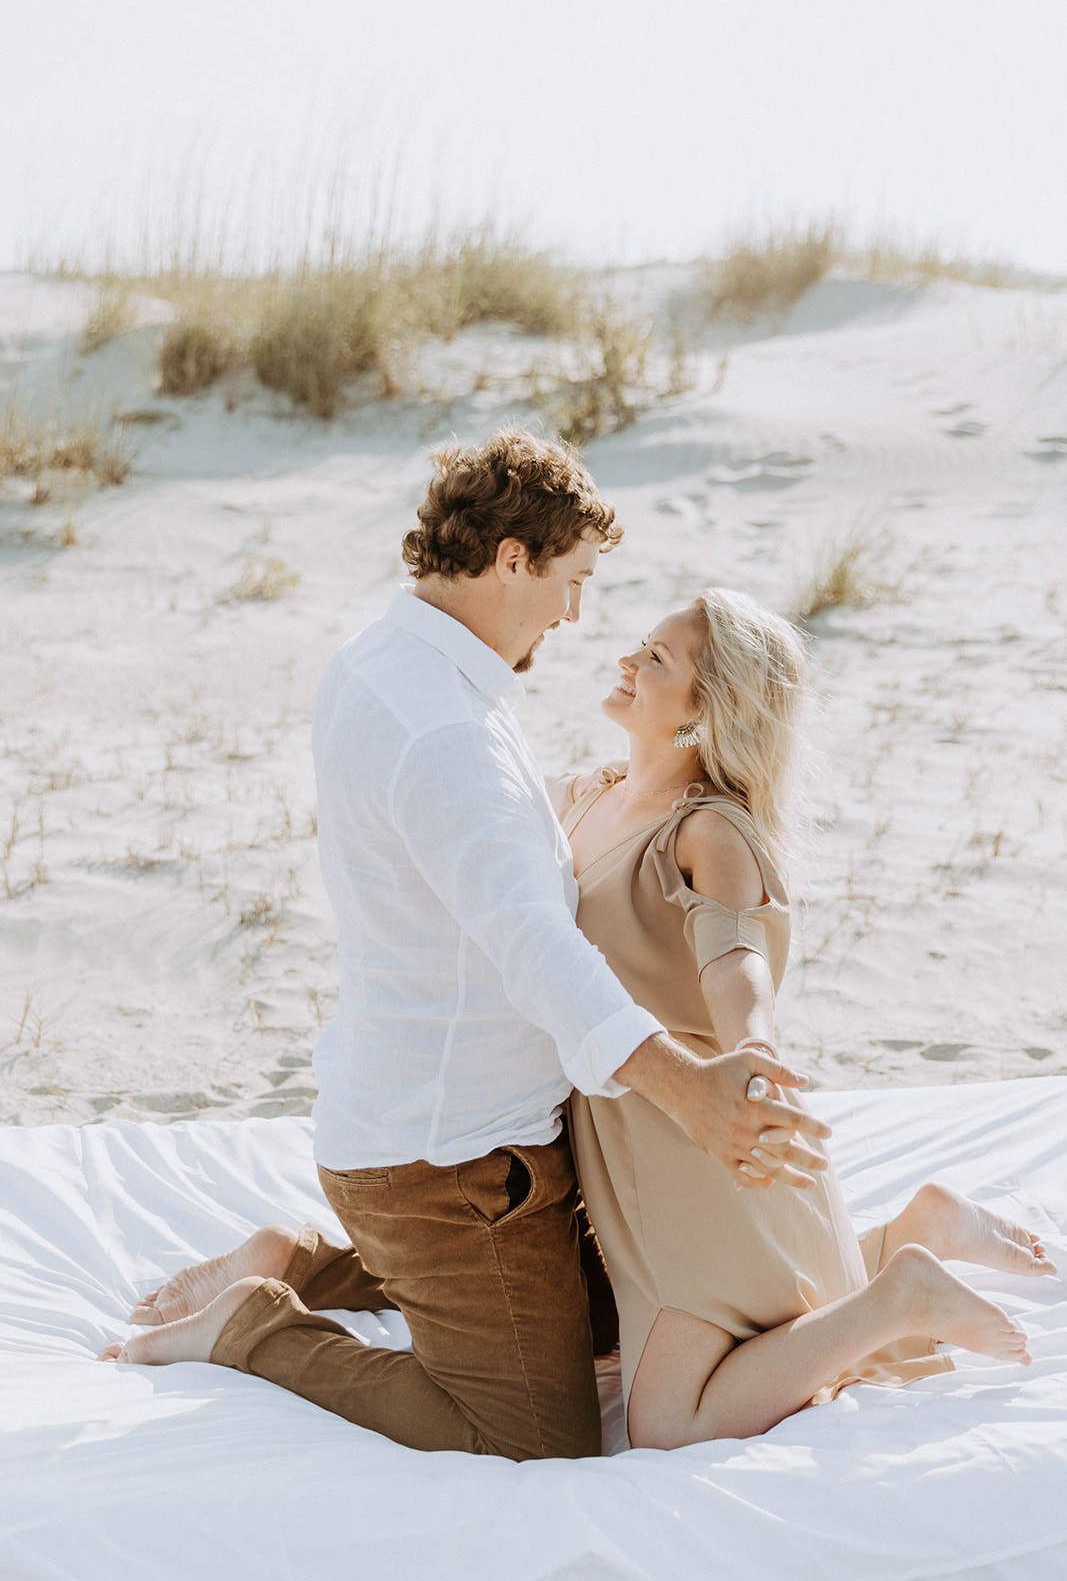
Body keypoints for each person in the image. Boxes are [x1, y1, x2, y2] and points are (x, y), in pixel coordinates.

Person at [99, 429, 830, 1461]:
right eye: (569, 580)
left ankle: (311, 1258)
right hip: (458, 1169)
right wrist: (692, 1092)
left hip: (438, 1126)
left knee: (678, 1295)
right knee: (530, 1433)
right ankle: (256, 1325)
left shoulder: (391, 665)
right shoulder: (445, 729)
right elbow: (537, 951)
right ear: (512, 559)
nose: (576, 615)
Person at [550, 586, 1057, 1450]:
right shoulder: (583, 795)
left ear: (706, 713)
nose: (627, 661)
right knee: (747, 1323)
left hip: (705, 1150)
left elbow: (735, 959)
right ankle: (914, 1228)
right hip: (630, 1139)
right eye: (641, 644)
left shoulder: (709, 832)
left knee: (670, 1425)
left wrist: (751, 1048)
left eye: (658, 659)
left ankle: (899, 1296)